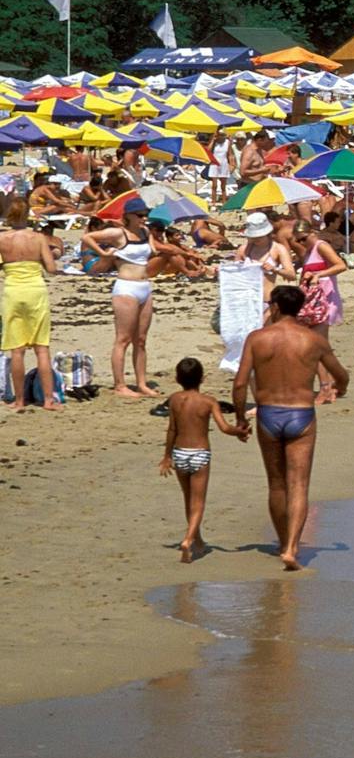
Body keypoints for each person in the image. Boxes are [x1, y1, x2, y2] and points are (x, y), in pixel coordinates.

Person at [233, 285, 350, 571]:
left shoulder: (257, 338)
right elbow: (341, 374)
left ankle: (283, 540)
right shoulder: (312, 339)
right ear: (299, 309)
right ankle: (291, 548)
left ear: (274, 307)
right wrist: (340, 389)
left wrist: (240, 419)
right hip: (301, 414)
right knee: (298, 484)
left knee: (276, 484)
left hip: (268, 413)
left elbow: (239, 382)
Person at [160, 357, 246, 563]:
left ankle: (197, 539)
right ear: (203, 379)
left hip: (180, 452)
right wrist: (239, 431)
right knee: (198, 502)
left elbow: (172, 429)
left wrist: (166, 456)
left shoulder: (174, 399)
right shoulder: (208, 401)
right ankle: (188, 539)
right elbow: (224, 428)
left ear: (177, 379)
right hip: (200, 453)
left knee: (188, 498)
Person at [82, 199, 161, 397]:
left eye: (145, 215)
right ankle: (120, 385)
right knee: (123, 339)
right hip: (126, 288)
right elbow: (88, 237)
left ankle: (141, 383)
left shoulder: (145, 232)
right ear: (129, 216)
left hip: (144, 286)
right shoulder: (118, 233)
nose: (144, 218)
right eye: (140, 215)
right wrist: (103, 253)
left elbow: (154, 250)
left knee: (141, 340)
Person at [0, 201, 58, 410]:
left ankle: (19, 400)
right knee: (41, 348)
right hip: (35, 290)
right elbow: (51, 268)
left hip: (13, 291)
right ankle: (49, 400)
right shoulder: (38, 238)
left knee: (17, 350)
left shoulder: (2, 238)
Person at [294, 226, 349, 405]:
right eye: (298, 240)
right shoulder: (308, 252)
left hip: (326, 300)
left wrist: (319, 274)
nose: (301, 243)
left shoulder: (320, 245)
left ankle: (328, 385)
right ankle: (335, 382)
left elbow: (341, 265)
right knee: (318, 346)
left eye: (303, 238)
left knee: (317, 345)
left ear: (312, 232)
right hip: (313, 303)